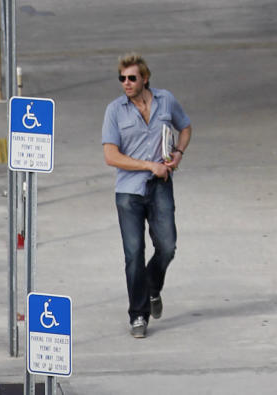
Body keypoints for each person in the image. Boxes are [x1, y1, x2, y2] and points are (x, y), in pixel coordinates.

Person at [101, 54, 192, 339]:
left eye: (131, 78)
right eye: (122, 79)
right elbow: (110, 155)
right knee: (133, 254)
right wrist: (146, 164)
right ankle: (138, 315)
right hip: (128, 191)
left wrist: (177, 153)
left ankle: (152, 286)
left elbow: (185, 127)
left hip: (160, 185)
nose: (126, 83)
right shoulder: (115, 110)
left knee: (168, 246)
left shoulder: (166, 100)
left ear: (145, 78)